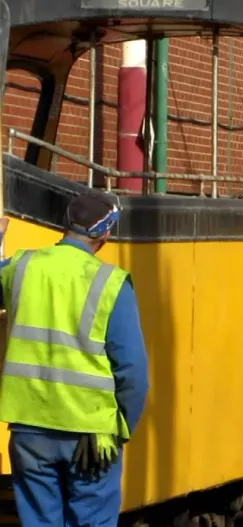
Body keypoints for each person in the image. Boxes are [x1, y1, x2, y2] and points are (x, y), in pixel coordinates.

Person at [0, 191, 150, 526]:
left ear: (66, 224)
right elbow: (133, 372)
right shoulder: (111, 283)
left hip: (29, 429)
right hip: (91, 434)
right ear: (106, 234)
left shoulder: (21, 267)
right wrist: (119, 428)